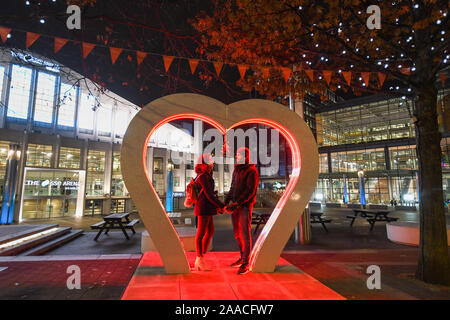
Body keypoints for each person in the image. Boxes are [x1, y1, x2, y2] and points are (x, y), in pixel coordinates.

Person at [224, 147, 259, 275]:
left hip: (244, 207)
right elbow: (232, 187)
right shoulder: (236, 170)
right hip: (235, 207)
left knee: (245, 233)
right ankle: (242, 256)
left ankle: (246, 262)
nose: (236, 156)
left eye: (239, 155)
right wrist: (226, 201)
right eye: (236, 154)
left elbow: (250, 191)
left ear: (246, 156)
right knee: (237, 234)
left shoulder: (252, 171)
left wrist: (237, 203)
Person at [193, 153, 225, 271]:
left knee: (210, 231)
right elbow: (209, 195)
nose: (212, 161)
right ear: (205, 163)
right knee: (201, 233)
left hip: (206, 207)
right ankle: (199, 258)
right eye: (210, 160)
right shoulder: (203, 177)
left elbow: (210, 195)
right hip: (203, 208)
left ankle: (201, 256)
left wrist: (218, 207)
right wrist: (222, 205)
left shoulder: (205, 175)